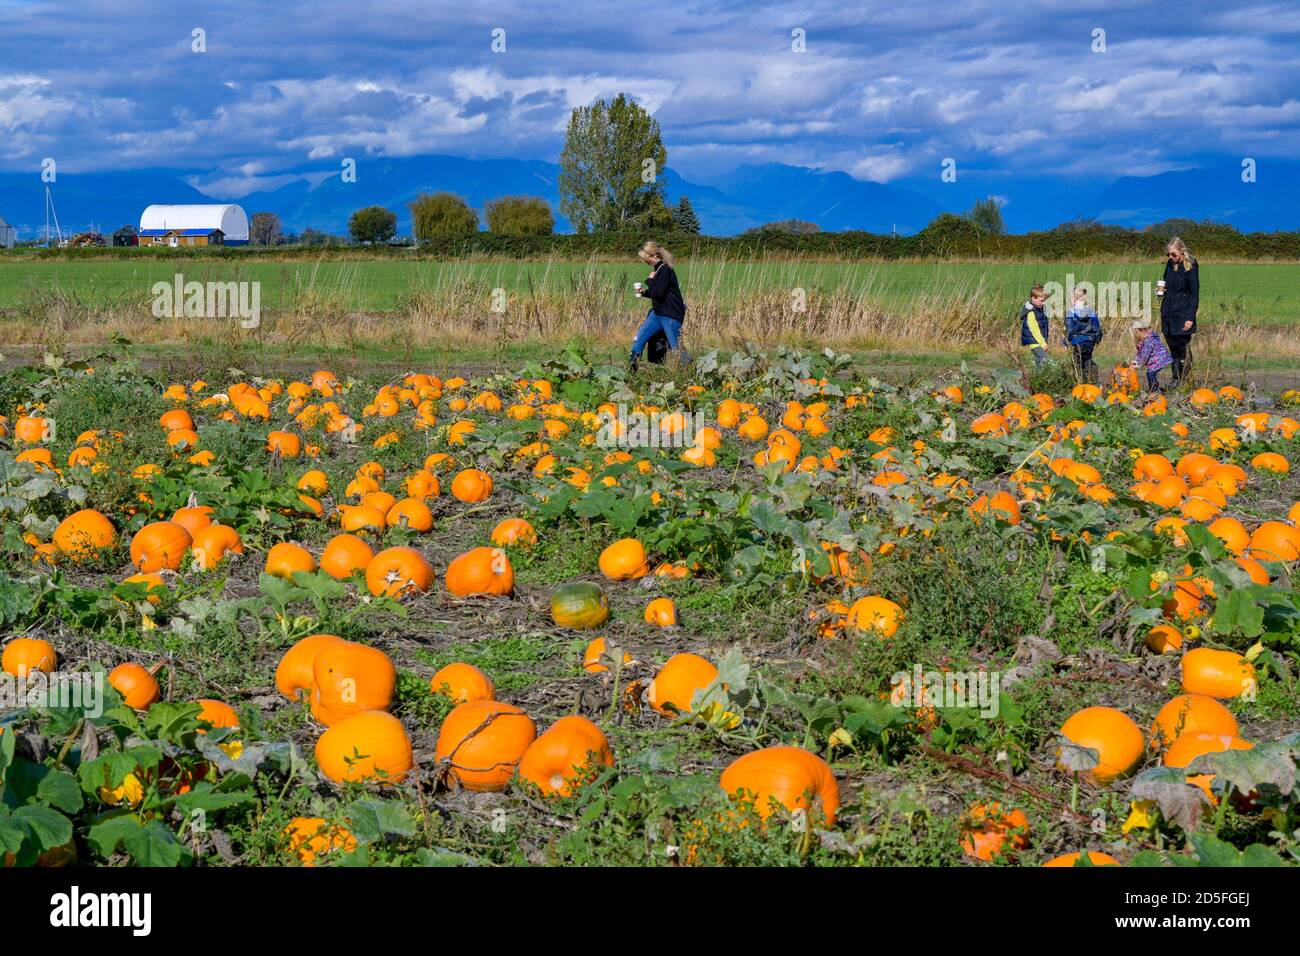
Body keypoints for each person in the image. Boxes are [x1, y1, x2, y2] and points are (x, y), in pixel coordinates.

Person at [629, 241, 688, 370]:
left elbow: (659, 293)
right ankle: (631, 369)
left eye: (646, 259)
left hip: (670, 313)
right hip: (658, 312)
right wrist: (644, 292)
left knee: (676, 347)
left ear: (655, 256)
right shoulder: (658, 269)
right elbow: (658, 292)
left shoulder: (665, 270)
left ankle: (690, 370)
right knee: (639, 338)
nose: (645, 262)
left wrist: (650, 280)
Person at [1160, 236, 1199, 386]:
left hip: (1183, 313)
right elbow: (1165, 283)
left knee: (1182, 348)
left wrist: (1190, 317)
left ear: (1182, 251)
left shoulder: (1191, 266)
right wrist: (1160, 291)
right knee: (1173, 348)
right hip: (1168, 312)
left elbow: (1194, 294)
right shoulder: (1169, 265)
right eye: (1168, 255)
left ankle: (1184, 379)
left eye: (1173, 254)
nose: (1170, 257)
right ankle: (1175, 378)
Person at [1065, 286, 1102, 382]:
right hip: (1089, 341)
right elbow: (1097, 327)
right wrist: (1097, 339)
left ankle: (1080, 381)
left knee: (1077, 362)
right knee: (1087, 359)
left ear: (1074, 299)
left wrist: (1066, 341)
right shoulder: (1090, 312)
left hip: (1077, 341)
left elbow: (1069, 329)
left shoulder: (1071, 313)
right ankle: (1091, 379)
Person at [1131, 318, 1173, 392]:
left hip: (1160, 359)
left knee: (1150, 373)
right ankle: (1155, 388)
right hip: (1155, 359)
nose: (1137, 338)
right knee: (1150, 373)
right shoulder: (1145, 340)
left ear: (1142, 331)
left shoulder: (1149, 340)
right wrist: (1136, 361)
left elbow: (1145, 355)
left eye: (1137, 336)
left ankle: (1154, 390)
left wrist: (1139, 364)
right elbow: (1140, 353)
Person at [1018, 284, 1051, 366]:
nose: (1043, 303)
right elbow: (1034, 330)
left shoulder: (1040, 309)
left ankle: (1035, 377)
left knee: (1039, 363)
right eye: (1042, 301)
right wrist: (1043, 343)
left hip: (1039, 341)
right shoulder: (1031, 312)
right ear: (1033, 298)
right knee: (1046, 360)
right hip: (1034, 341)